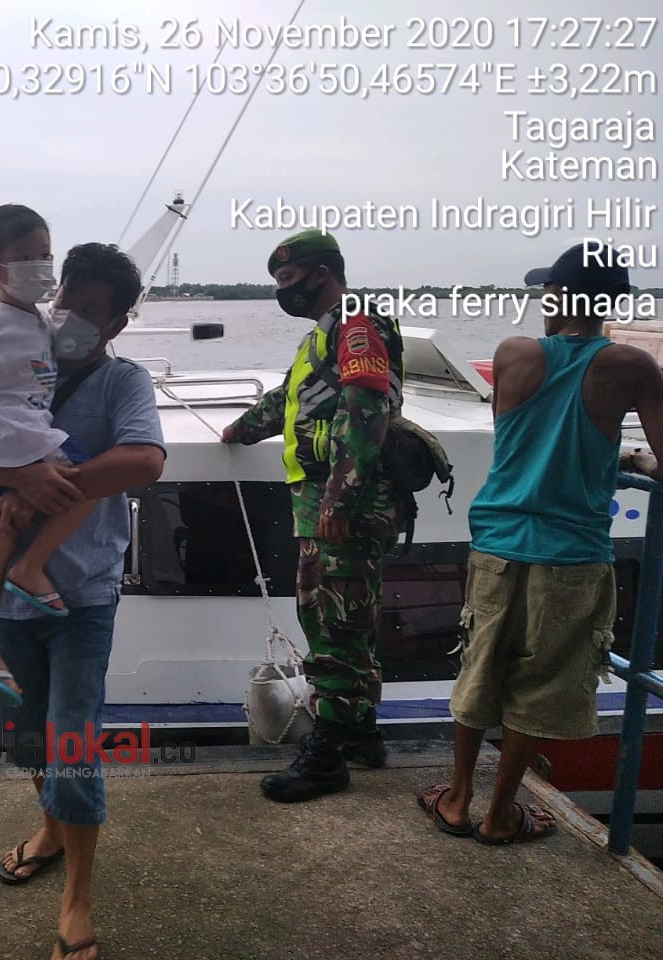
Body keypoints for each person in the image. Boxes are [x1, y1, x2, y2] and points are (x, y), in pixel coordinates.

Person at [0, 242, 164, 960]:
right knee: (28, 736)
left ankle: (78, 900)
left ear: (118, 323)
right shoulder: (17, 360)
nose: (75, 320)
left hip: (82, 600)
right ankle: (54, 831)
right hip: (9, 605)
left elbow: (146, 460)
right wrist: (19, 477)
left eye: (94, 312)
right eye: (69, 302)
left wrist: (52, 480)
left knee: (73, 744)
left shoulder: (123, 382)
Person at [420, 242, 663, 844]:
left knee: (480, 670)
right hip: (572, 555)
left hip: (499, 542)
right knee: (541, 684)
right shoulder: (631, 367)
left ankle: (456, 798)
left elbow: (528, 436)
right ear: (613, 303)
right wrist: (628, 457)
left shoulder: (512, 354)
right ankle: (503, 813)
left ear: (555, 295)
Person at [221, 229, 404, 802]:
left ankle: (326, 756)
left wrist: (338, 500)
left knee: (333, 623)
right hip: (323, 499)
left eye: (287, 279)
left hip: (341, 503)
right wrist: (241, 429)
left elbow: (366, 408)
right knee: (346, 619)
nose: (283, 290)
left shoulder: (356, 324)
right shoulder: (322, 336)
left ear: (321, 273)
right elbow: (293, 400)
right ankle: (360, 735)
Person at [0, 205, 98, 707]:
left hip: (13, 433)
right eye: (25, 256)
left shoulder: (30, 313)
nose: (40, 263)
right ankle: (30, 569)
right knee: (83, 482)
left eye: (45, 254)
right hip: (12, 436)